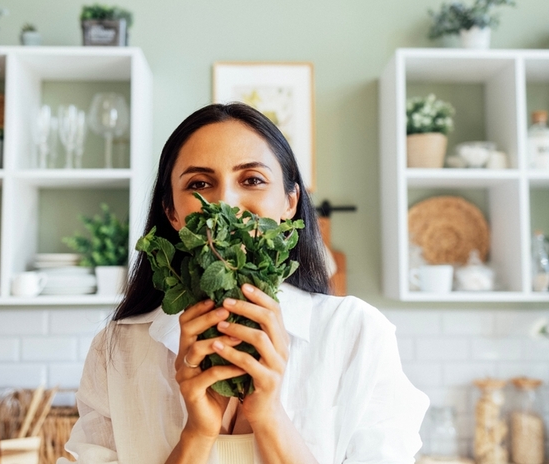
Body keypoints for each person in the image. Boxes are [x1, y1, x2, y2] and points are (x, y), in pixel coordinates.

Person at [60, 103, 429, 464]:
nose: (226, 204)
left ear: (290, 202)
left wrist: (270, 416)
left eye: (252, 180)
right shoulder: (117, 350)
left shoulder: (356, 334)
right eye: (200, 183)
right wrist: (197, 433)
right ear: (171, 212)